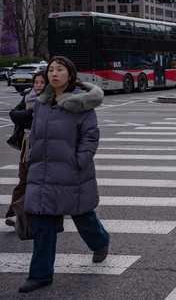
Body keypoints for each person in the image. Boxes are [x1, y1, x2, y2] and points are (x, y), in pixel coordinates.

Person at [19, 56, 109, 293]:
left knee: (83, 216)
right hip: (42, 171)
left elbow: (91, 137)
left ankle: (101, 242)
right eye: (50, 70)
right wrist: (30, 159)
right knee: (43, 222)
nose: (54, 74)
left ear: (70, 74)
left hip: (71, 170)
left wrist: (78, 161)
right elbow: (36, 134)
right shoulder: (42, 102)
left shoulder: (81, 103)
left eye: (60, 70)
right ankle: (40, 274)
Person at [5, 72, 47, 227]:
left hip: (46, 145)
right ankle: (13, 214)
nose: (38, 85)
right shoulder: (28, 98)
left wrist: (27, 115)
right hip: (27, 144)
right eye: (36, 82)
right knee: (24, 179)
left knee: (45, 180)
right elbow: (14, 114)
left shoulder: (53, 100)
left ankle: (45, 212)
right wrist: (31, 113)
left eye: (42, 83)